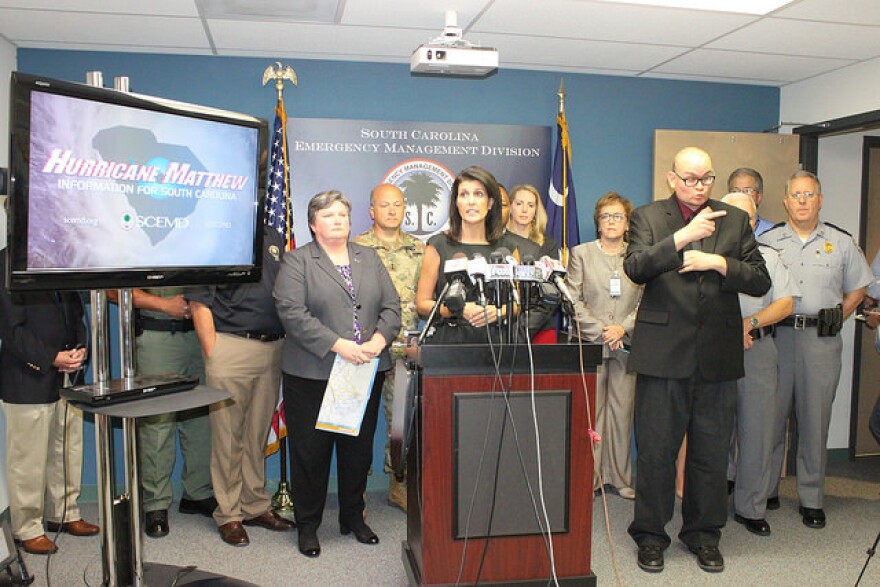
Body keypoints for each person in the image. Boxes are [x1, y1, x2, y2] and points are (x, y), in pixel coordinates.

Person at [623, 147, 770, 574]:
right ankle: (650, 536)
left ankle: (704, 535)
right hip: (662, 356)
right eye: (690, 179)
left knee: (709, 454)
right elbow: (636, 267)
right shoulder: (648, 218)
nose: (699, 187)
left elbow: (760, 279)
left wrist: (720, 262)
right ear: (672, 178)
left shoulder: (734, 218)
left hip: (717, 358)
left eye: (706, 179)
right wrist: (681, 241)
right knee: (655, 453)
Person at [274, 190, 401, 558]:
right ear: (313, 223)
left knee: (357, 451)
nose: (337, 221)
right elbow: (292, 313)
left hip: (364, 370)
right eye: (328, 215)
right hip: (313, 373)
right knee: (310, 453)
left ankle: (353, 518)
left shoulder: (369, 256)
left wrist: (378, 340)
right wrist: (338, 344)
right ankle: (308, 525)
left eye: (342, 215)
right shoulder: (298, 261)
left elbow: (391, 305)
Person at [759, 170, 871, 529]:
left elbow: (858, 289)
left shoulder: (841, 243)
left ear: (819, 200)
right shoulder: (770, 241)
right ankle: (766, 490)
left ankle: (811, 498)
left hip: (821, 341)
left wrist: (840, 315)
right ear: (786, 200)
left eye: (809, 195)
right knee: (770, 420)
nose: (802, 201)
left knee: (814, 420)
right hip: (778, 338)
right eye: (796, 195)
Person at [187, 224, 295, 547]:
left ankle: (254, 505)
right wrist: (213, 350)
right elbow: (198, 302)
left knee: (256, 434)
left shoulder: (272, 235)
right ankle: (229, 513)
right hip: (231, 345)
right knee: (227, 436)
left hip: (272, 347)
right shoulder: (213, 232)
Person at [0, 248, 99, 555]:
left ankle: (65, 513)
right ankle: (27, 528)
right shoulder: (7, 262)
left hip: (68, 373)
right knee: (28, 458)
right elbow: (11, 329)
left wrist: (81, 349)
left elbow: (76, 313)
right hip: (28, 375)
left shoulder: (61, 258)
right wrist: (50, 358)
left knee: (67, 447)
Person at [109, 288, 216, 538]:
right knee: (157, 423)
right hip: (157, 333)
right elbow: (114, 291)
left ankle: (198, 493)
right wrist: (164, 305)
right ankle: (155, 503)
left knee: (202, 420)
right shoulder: (139, 247)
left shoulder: (205, 247)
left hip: (201, 335)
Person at [721, 192, 796, 537]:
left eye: (747, 219)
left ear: (755, 222)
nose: (741, 224)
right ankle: (713, 494)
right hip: (715, 352)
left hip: (758, 351)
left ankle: (751, 506)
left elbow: (784, 305)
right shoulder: (706, 256)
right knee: (713, 429)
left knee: (758, 431)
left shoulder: (769, 257)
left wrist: (747, 325)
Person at [352, 183, 424, 512]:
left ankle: (399, 483)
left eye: (397, 204)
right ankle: (356, 488)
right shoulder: (355, 249)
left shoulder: (421, 250)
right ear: (372, 210)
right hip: (365, 349)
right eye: (385, 205)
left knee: (402, 422)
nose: (392, 210)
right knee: (359, 422)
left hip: (405, 350)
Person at [566, 191, 641, 500]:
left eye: (618, 216)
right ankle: (592, 477)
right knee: (591, 412)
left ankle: (620, 478)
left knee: (622, 413)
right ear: (597, 223)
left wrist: (622, 328)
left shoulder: (638, 256)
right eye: (605, 216)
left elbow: (647, 299)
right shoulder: (581, 253)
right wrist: (601, 330)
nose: (611, 222)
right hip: (591, 343)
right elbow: (572, 298)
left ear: (627, 224)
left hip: (626, 344)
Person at [416, 166, 516, 344]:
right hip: (450, 344)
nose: (471, 201)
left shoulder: (507, 247)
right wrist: (458, 310)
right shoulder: (438, 245)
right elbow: (423, 303)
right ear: (456, 202)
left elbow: (518, 303)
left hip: (497, 344)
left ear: (491, 202)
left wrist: (498, 312)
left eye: (478, 194)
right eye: (464, 194)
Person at [506, 183, 559, 260]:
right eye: (519, 204)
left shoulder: (549, 244)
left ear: (536, 210)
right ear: (510, 207)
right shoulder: (499, 239)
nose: (524, 210)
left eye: (530, 205)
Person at [728, 168, 775, 236]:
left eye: (748, 191)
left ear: (759, 197)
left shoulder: (772, 231)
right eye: (735, 191)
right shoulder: (716, 229)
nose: (741, 195)